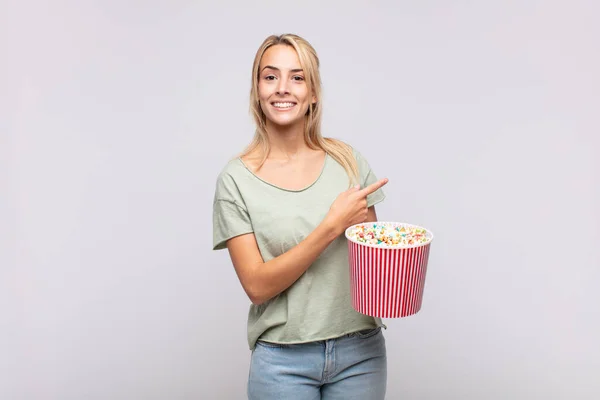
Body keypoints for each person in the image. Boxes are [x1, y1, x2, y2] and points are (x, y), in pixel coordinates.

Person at [212, 33, 389, 400]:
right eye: (270, 76)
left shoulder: (348, 162)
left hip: (361, 353)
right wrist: (330, 227)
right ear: (257, 91)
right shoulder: (236, 179)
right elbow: (257, 286)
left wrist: (394, 257)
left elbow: (374, 264)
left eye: (297, 77)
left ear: (313, 94)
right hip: (282, 361)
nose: (283, 88)